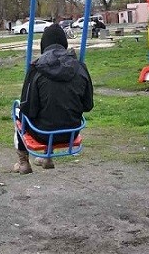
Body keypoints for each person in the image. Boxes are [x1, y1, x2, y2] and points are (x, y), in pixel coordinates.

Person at [15, 23, 93, 174]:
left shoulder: (36, 68)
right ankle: (47, 157)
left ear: (44, 45)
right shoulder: (80, 67)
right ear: (65, 43)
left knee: (18, 111)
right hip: (71, 133)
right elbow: (88, 105)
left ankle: (23, 162)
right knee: (52, 111)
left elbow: (29, 109)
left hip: (42, 134)